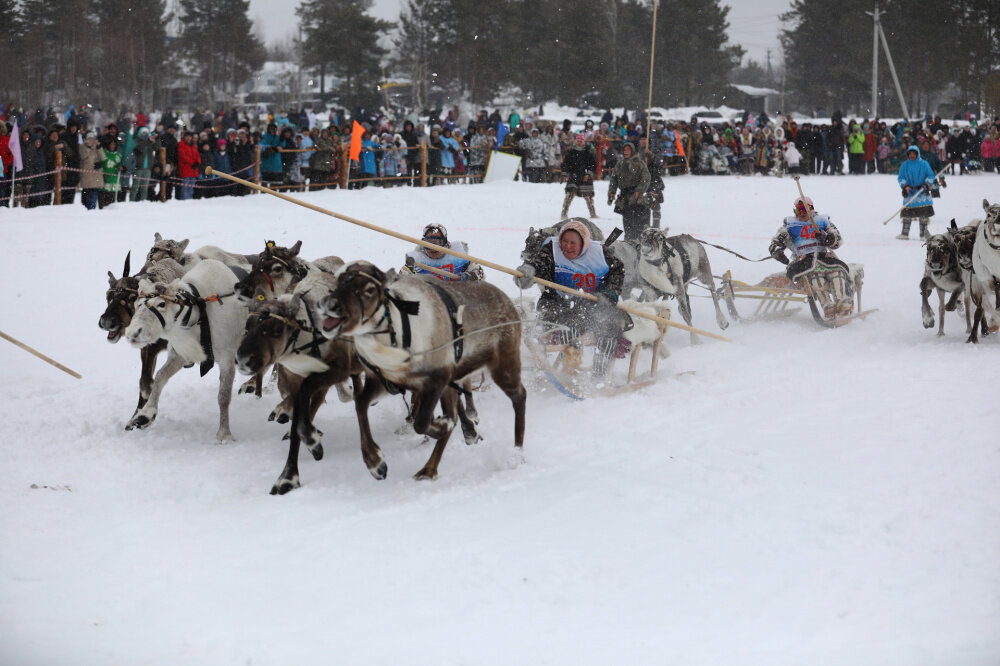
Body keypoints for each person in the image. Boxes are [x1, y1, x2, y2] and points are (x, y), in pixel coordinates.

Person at [515, 219, 629, 378]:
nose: (567, 246)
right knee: (570, 328)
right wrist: (529, 271)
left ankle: (600, 377)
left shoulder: (601, 253)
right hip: (557, 303)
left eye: (572, 243)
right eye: (564, 241)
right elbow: (539, 263)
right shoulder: (552, 250)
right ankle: (566, 371)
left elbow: (617, 272)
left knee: (609, 329)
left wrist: (608, 295)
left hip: (592, 304)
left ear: (583, 243)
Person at [768, 196, 852, 317]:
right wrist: (777, 251)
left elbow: (837, 241)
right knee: (815, 275)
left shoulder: (822, 222)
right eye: (799, 209)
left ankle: (842, 301)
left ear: (812, 209)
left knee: (836, 272)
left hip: (825, 258)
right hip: (804, 262)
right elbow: (776, 242)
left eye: (806, 208)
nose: (803, 212)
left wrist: (829, 238)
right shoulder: (789, 226)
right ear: (794, 211)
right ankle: (827, 305)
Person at [402, 224, 484, 282]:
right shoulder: (417, 261)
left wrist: (467, 276)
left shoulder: (457, 256)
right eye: (429, 243)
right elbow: (401, 280)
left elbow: (479, 272)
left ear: (445, 242)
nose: (433, 248)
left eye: (437, 242)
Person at [607, 141, 650, 241]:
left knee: (639, 222)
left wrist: (639, 190)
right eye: (624, 149)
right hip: (624, 197)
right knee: (627, 222)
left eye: (628, 150)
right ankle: (629, 241)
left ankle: (639, 241)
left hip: (636, 197)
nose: (625, 151)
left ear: (632, 151)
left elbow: (646, 178)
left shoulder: (639, 163)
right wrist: (612, 191)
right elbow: (614, 179)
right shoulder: (620, 164)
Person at [896, 145, 936, 240]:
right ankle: (904, 234)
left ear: (917, 154)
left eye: (914, 154)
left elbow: (931, 175)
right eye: (910, 154)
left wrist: (926, 184)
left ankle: (923, 234)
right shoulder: (905, 165)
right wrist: (905, 186)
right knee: (907, 215)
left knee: (923, 215)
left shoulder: (924, 164)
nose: (912, 155)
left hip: (922, 193)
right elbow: (900, 177)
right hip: (910, 193)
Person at [560, 133, 597, 218]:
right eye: (578, 141)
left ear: (584, 142)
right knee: (569, 194)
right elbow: (565, 164)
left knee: (588, 196)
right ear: (576, 142)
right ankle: (564, 213)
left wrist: (588, 174)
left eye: (581, 141)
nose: (580, 142)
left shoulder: (587, 152)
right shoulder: (571, 152)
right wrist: (565, 174)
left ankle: (593, 213)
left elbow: (592, 165)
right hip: (573, 176)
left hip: (584, 176)